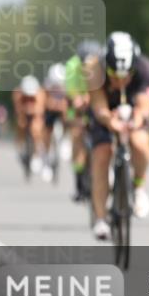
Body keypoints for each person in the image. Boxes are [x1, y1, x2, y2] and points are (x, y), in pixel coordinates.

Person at [88, 32, 149, 240]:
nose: (120, 80)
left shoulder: (144, 67)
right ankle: (100, 219)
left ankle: (139, 187)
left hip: (132, 108)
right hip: (106, 110)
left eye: (126, 75)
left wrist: (136, 121)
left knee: (140, 142)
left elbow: (145, 106)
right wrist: (110, 121)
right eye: (113, 74)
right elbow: (98, 106)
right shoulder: (94, 69)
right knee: (101, 154)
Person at [65, 40, 102, 200]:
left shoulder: (102, 63)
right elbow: (72, 93)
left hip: (96, 98)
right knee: (77, 134)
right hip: (79, 101)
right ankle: (79, 179)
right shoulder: (72, 66)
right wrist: (79, 100)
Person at [12, 74, 46, 175]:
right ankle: (20, 145)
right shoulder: (17, 93)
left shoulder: (40, 93)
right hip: (23, 113)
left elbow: (40, 110)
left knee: (36, 129)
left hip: (35, 115)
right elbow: (17, 109)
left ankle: (36, 154)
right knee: (20, 124)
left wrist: (32, 111)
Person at [41, 62, 69, 182]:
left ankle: (66, 139)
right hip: (50, 110)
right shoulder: (47, 86)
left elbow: (70, 102)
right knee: (47, 129)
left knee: (69, 116)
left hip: (63, 110)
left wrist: (65, 109)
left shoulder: (68, 85)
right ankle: (46, 157)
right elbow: (42, 102)